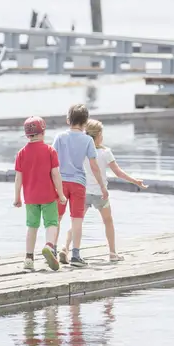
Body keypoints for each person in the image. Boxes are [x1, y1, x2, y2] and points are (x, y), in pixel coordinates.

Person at [82, 119, 146, 263]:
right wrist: (135, 181)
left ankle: (66, 249)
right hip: (101, 194)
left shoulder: (82, 152)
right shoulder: (105, 152)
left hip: (84, 193)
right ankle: (112, 253)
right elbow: (118, 173)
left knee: (77, 221)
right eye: (101, 134)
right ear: (98, 135)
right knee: (108, 222)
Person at [52, 103, 107, 268]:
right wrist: (102, 186)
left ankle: (53, 251)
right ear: (85, 123)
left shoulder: (60, 137)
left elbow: (52, 161)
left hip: (60, 183)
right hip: (78, 183)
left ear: (68, 120)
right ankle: (75, 255)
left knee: (57, 218)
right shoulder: (88, 140)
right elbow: (94, 166)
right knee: (77, 220)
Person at [14, 116, 67, 272]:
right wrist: (61, 194)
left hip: (30, 197)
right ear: (43, 132)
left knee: (32, 227)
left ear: (27, 135)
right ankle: (49, 246)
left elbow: (18, 177)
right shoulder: (50, 150)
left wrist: (17, 197)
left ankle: (29, 259)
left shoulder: (21, 153)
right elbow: (56, 174)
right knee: (51, 223)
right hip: (49, 196)